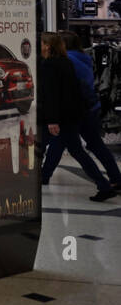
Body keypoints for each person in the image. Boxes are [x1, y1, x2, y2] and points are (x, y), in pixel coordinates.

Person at [40, 32, 111, 200]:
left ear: (48, 46)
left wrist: (52, 120)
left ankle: (104, 184)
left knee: (77, 151)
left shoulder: (50, 65)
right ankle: (103, 185)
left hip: (62, 117)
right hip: (73, 114)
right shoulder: (65, 62)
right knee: (77, 150)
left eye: (42, 42)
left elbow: (52, 95)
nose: (40, 45)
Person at [64, 31, 121, 201]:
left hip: (76, 110)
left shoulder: (67, 61)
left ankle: (103, 184)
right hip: (91, 107)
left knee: (76, 149)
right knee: (96, 145)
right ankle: (116, 178)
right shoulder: (84, 58)